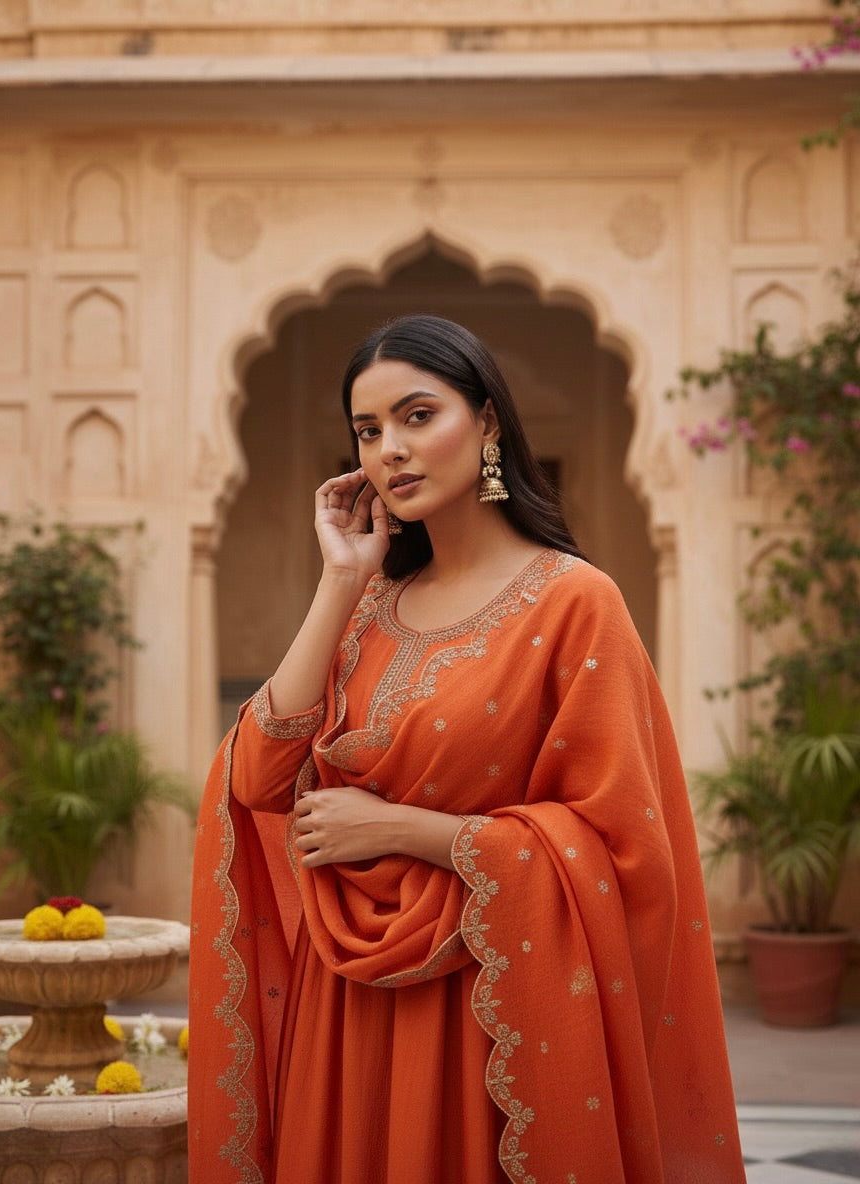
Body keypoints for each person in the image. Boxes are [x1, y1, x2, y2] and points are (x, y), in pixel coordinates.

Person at [188, 315, 746, 1184]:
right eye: (368, 432)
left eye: (418, 416)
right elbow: (256, 777)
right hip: (344, 1007)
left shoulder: (574, 603)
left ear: (487, 423)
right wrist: (342, 580)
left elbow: (626, 854)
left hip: (489, 1006)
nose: (390, 452)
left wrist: (403, 831)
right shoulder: (368, 609)